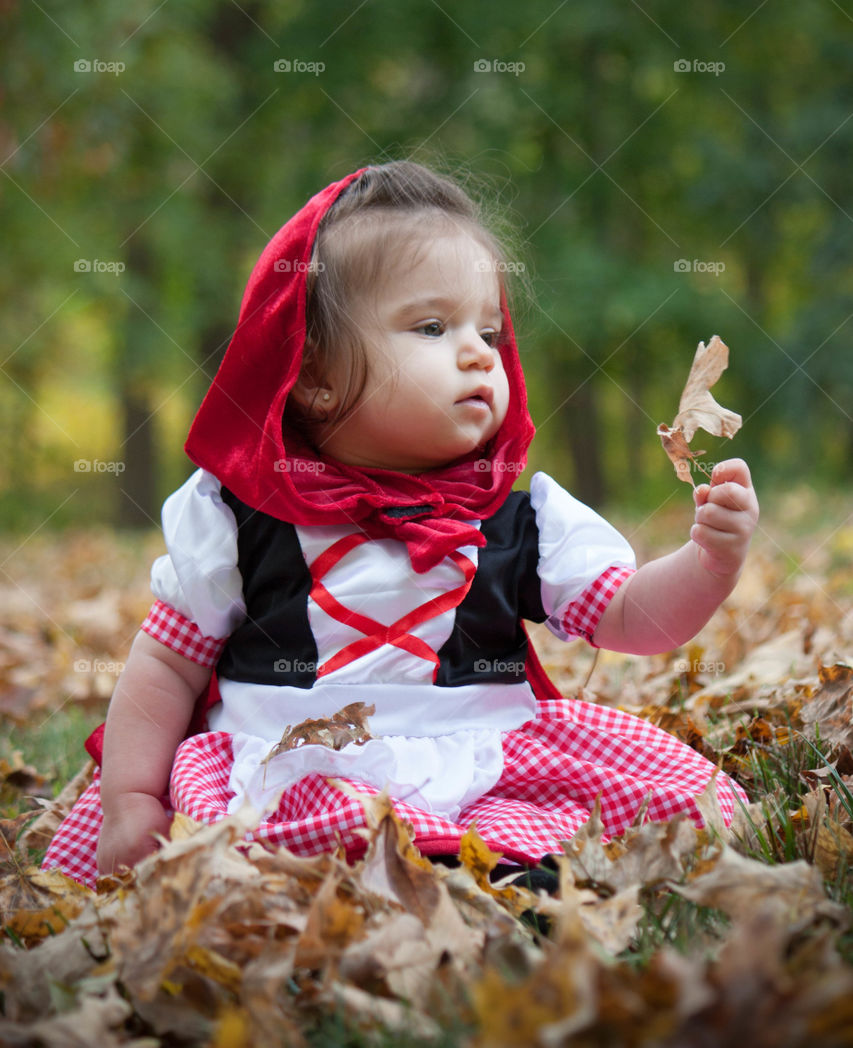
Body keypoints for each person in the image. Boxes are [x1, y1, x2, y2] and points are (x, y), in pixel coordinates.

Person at [43, 161, 758, 889]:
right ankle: (400, 876)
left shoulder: (521, 518)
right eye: (430, 326)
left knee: (643, 813)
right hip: (291, 761)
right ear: (313, 374)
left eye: (488, 327)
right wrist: (130, 797)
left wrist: (706, 564)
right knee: (304, 836)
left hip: (481, 764)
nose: (479, 350)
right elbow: (166, 663)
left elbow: (634, 621)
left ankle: (500, 877)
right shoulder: (240, 514)